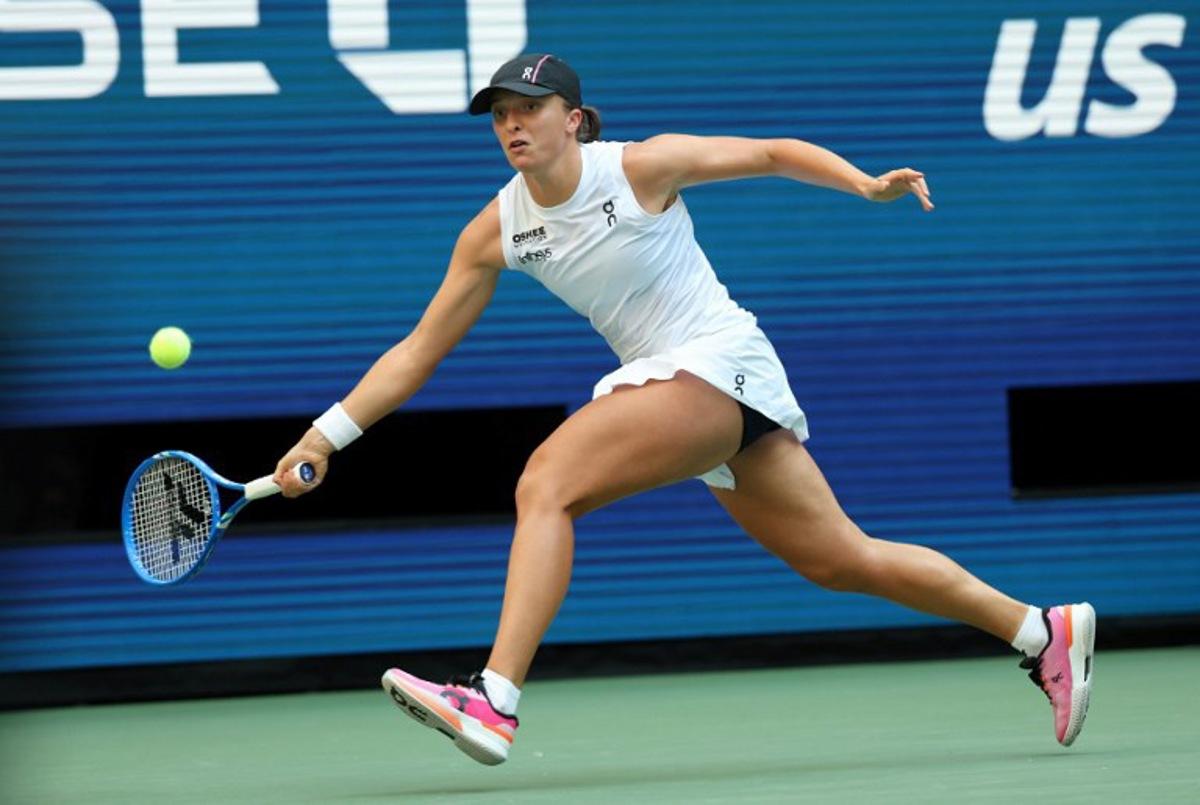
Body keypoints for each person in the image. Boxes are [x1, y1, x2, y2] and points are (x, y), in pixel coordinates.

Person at [273, 53, 1095, 766]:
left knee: (546, 480)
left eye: (530, 110)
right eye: (500, 114)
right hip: (682, 388)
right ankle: (1040, 631)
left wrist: (864, 184)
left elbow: (771, 152)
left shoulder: (640, 167)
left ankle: (494, 698)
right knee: (844, 558)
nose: (512, 126)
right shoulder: (495, 230)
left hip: (714, 362)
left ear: (576, 120)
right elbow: (419, 349)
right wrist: (326, 435)